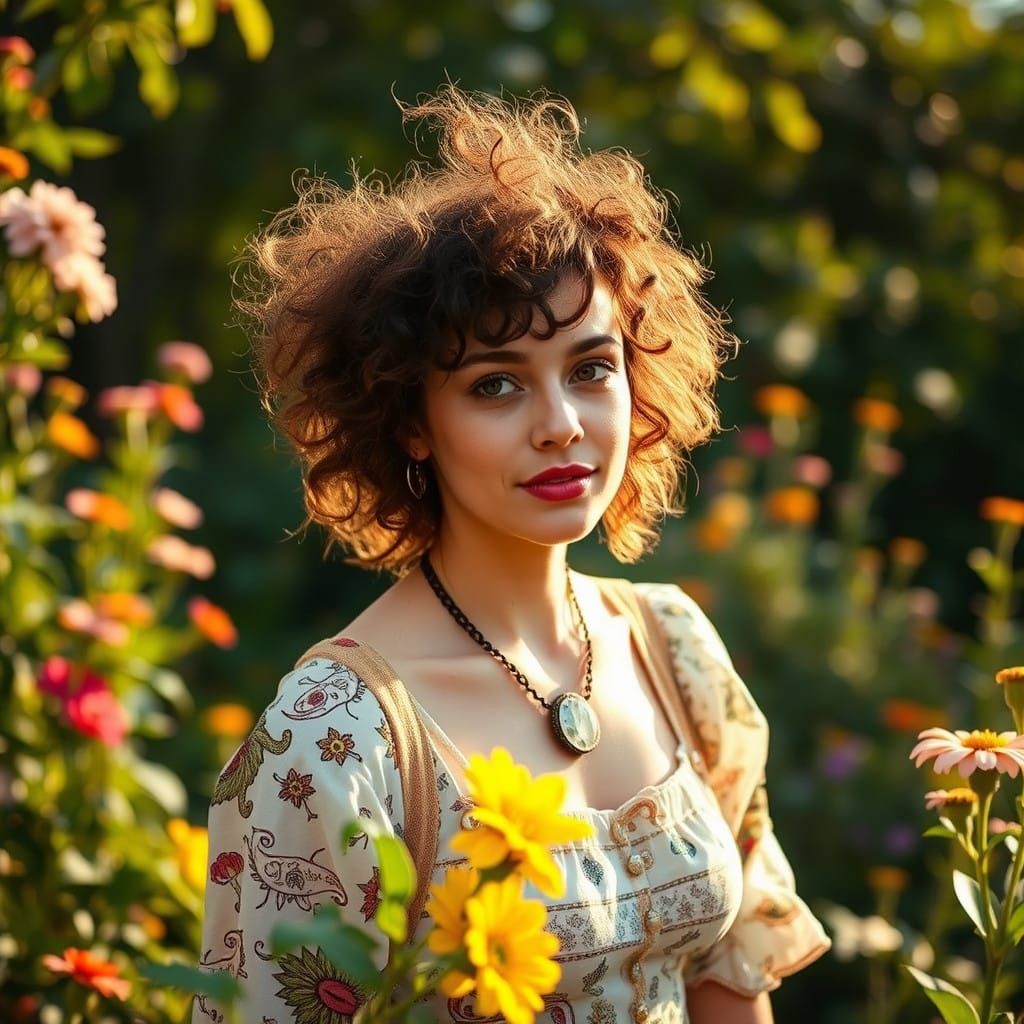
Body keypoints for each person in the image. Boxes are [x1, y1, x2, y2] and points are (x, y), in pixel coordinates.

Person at [195, 86, 830, 1024]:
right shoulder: (339, 739)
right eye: (496, 385)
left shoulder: (675, 649)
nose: (563, 426)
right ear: (412, 422)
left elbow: (729, 988)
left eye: (590, 368)